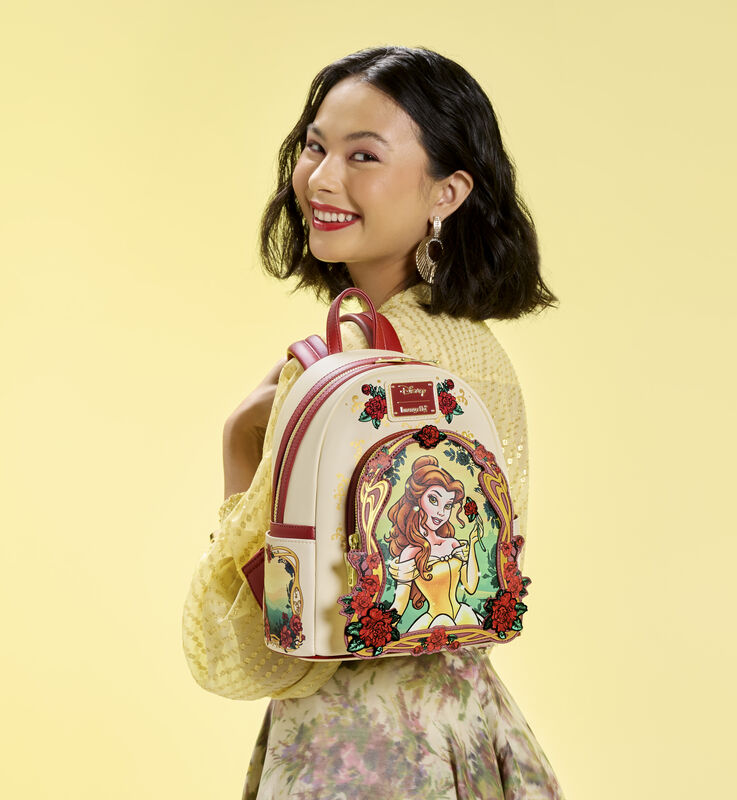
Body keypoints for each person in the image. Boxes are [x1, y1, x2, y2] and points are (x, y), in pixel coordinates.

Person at [182, 46, 565, 799]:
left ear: (448, 191)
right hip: (467, 733)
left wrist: (239, 445)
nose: (322, 178)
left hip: (356, 749)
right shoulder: (476, 358)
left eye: (364, 155)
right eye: (314, 147)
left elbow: (273, 648)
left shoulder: (343, 369)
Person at [385, 454, 485, 631]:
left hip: (463, 616)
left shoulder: (452, 543)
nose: (441, 512)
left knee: (464, 620)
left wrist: (473, 543)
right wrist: (378, 628)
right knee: (443, 622)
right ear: (417, 499)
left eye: (448, 505)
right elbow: (399, 604)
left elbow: (470, 587)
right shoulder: (411, 552)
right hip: (435, 623)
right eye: (433, 500)